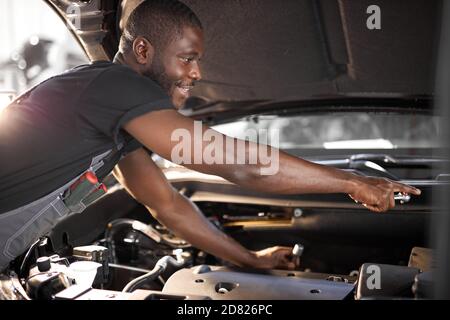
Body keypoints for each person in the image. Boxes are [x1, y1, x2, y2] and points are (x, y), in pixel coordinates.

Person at [0, 0, 421, 272]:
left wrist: (251, 261)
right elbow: (241, 165)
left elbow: (167, 205)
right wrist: (353, 182)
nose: (197, 74)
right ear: (143, 51)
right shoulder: (115, 87)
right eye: (187, 59)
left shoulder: (114, 118)